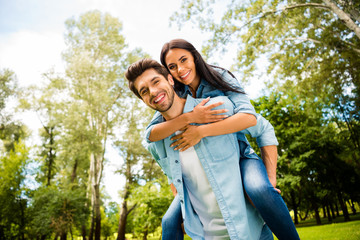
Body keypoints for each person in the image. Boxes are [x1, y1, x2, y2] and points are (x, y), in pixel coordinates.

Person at [144, 39, 300, 240]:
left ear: (195, 56)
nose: (180, 70)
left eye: (184, 60)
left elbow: (250, 118)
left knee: (260, 189)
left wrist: (201, 131)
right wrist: (190, 117)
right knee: (169, 221)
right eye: (172, 67)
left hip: (240, 156)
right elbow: (151, 133)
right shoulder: (176, 94)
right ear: (168, 75)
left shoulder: (219, 80)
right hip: (202, 172)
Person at [125, 58, 273, 239]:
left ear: (170, 80)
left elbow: (263, 128)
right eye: (144, 91)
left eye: (156, 82)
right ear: (143, 100)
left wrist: (268, 182)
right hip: (205, 236)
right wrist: (185, 212)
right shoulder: (158, 142)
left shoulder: (216, 107)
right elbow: (173, 177)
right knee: (168, 221)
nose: (153, 92)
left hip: (251, 232)